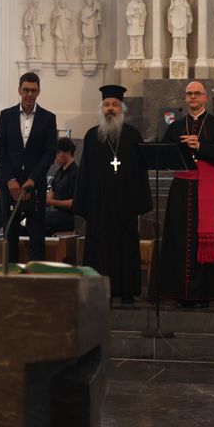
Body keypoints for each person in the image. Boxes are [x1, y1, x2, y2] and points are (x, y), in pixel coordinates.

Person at [158, 80, 214, 305]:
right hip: (181, 190)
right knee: (179, 239)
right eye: (189, 94)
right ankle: (179, 291)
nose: (192, 97)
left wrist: (200, 146)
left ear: (205, 98)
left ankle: (204, 293)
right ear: (185, 98)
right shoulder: (175, 127)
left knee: (201, 241)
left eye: (197, 94)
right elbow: (163, 156)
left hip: (208, 189)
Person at [71, 85, 151, 304]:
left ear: (121, 109)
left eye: (115, 105)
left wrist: (139, 203)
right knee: (100, 249)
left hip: (125, 205)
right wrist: (83, 204)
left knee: (126, 246)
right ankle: (99, 291)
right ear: (101, 108)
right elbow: (84, 172)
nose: (110, 109)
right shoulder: (91, 136)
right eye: (106, 105)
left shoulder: (133, 135)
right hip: (99, 207)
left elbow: (141, 172)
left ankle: (126, 291)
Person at [0, 72, 58, 263]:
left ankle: (36, 272)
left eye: (33, 90)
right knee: (10, 230)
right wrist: (11, 179)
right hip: (9, 184)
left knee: (37, 231)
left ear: (39, 92)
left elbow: (49, 153)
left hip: (35, 184)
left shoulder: (48, 118)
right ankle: (11, 273)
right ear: (19, 90)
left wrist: (32, 180)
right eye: (26, 90)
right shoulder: (6, 116)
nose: (29, 94)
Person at [45, 137, 79, 234]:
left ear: (68, 153)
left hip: (69, 217)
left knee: (42, 221)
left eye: (58, 153)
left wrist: (52, 202)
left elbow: (74, 203)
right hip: (57, 214)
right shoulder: (59, 172)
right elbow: (53, 193)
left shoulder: (76, 173)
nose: (56, 157)